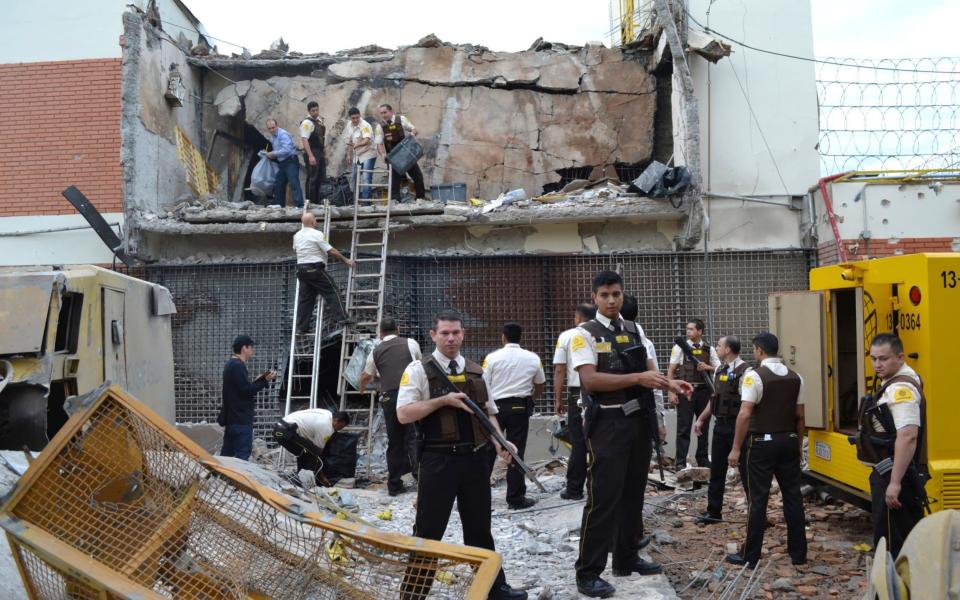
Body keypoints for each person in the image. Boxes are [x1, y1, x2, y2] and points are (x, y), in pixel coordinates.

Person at [569, 271, 692, 598]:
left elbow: (650, 372)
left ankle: (626, 558)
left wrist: (671, 383)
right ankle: (588, 572)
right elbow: (591, 380)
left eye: (617, 294)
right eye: (605, 295)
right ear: (594, 297)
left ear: (623, 296)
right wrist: (639, 378)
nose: (612, 301)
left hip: (639, 422)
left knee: (633, 494)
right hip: (608, 424)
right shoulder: (583, 334)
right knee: (602, 499)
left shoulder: (634, 328)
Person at [396, 310, 526, 600]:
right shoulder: (418, 370)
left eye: (455, 332)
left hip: (475, 461)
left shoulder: (475, 369)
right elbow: (403, 414)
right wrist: (443, 400)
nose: (451, 338)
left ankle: (495, 589)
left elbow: (489, 413)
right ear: (433, 335)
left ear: (463, 334)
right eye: (444, 333)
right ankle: (413, 595)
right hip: (438, 460)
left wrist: (501, 442)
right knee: (429, 532)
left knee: (479, 528)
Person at [726, 332, 807, 568]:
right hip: (789, 439)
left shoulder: (754, 377)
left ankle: (750, 557)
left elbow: (745, 413)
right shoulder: (796, 377)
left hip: (761, 444)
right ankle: (798, 554)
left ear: (759, 350)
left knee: (758, 499)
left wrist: (735, 448)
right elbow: (800, 417)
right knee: (793, 496)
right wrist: (799, 445)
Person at [858, 333, 926, 557]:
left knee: (890, 545)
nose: (877, 364)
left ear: (900, 357)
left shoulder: (900, 390)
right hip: (892, 471)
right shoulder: (899, 379)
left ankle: (891, 591)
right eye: (874, 358)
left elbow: (908, 436)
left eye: (884, 359)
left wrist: (895, 482)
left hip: (895, 474)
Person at [482, 322, 546, 509]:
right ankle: (515, 498)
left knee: (487, 451)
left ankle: (478, 496)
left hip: (495, 408)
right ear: (521, 337)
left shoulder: (492, 358)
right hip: (519, 407)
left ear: (503, 337)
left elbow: (483, 383)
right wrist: (530, 397)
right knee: (516, 452)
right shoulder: (533, 358)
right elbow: (540, 383)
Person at [359, 317, 423, 495]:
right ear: (398, 329)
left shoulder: (376, 350)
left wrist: (362, 390)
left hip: (390, 397)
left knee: (395, 442)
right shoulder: (411, 343)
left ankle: (394, 485)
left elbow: (366, 375)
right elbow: (420, 366)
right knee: (414, 436)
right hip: (410, 392)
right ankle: (421, 479)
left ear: (380, 334)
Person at [693, 335, 751, 524]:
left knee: (747, 472)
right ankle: (714, 512)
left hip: (738, 428)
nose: (716, 348)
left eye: (719, 346)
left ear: (728, 350)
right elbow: (714, 400)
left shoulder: (746, 371)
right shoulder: (719, 369)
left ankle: (755, 513)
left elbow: (746, 405)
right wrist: (701, 419)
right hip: (720, 427)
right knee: (717, 471)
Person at [553, 303, 597, 500]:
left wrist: (557, 399)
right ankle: (597, 487)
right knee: (599, 439)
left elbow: (560, 370)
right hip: (600, 388)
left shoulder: (568, 336)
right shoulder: (601, 332)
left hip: (576, 391)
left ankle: (574, 489)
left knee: (578, 441)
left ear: (578, 317)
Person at [667, 319, 721, 469]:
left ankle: (702, 458)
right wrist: (671, 392)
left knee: (703, 426)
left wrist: (707, 367)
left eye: (691, 329)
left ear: (700, 331)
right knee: (683, 427)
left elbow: (718, 368)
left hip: (704, 392)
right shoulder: (680, 347)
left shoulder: (709, 349)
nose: (688, 331)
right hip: (686, 392)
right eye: (687, 329)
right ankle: (680, 462)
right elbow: (671, 370)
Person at [293, 212, 355, 332]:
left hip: (301, 270)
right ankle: (342, 318)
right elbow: (331, 251)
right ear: (312, 222)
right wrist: (345, 260)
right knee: (332, 291)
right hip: (314, 268)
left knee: (305, 299)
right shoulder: (317, 234)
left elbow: (296, 251)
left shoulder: (297, 235)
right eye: (315, 219)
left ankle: (302, 328)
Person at [220, 335, 277, 460]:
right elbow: (246, 391)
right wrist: (264, 381)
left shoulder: (230, 364)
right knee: (242, 457)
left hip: (232, 419)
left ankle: (219, 478)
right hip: (241, 420)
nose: (253, 350)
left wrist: (257, 382)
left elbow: (241, 389)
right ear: (244, 348)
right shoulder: (238, 365)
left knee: (226, 457)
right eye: (251, 347)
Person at [272, 408, 349, 485]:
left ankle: (300, 479)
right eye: (341, 427)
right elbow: (317, 452)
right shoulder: (326, 427)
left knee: (304, 452)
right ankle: (303, 482)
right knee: (311, 453)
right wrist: (321, 476)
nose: (339, 430)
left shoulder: (327, 414)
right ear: (337, 421)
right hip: (285, 433)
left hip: (282, 426)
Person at [376, 104, 426, 201]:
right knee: (394, 181)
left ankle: (421, 198)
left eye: (385, 112)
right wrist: (382, 154)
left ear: (391, 111)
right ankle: (395, 202)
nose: (383, 115)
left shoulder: (401, 119)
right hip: (393, 158)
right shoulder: (380, 126)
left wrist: (411, 135)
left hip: (406, 155)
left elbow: (414, 130)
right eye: (381, 113)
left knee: (418, 176)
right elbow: (379, 143)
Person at [266, 118, 304, 208]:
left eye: (273, 127)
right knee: (279, 183)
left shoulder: (282, 134)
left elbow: (286, 150)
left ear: (277, 126)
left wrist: (273, 153)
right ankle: (279, 206)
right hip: (282, 163)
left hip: (290, 161)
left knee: (294, 183)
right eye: (269, 128)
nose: (272, 130)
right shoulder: (273, 137)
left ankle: (300, 205)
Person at [346, 107, 377, 200]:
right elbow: (350, 141)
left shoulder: (365, 125)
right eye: (353, 118)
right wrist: (349, 154)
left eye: (357, 117)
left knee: (366, 177)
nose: (355, 120)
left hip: (368, 153)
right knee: (354, 176)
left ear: (360, 116)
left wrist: (357, 145)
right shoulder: (349, 125)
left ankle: (366, 200)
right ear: (350, 118)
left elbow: (367, 140)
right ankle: (356, 199)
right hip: (357, 155)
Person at [299, 101, 326, 203]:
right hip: (312, 151)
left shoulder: (319, 121)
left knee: (320, 177)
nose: (315, 112)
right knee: (312, 177)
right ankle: (309, 202)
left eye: (317, 110)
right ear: (309, 111)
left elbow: (322, 139)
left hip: (319, 152)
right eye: (313, 111)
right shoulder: (306, 123)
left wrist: (325, 154)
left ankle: (317, 201)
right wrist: (310, 156)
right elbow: (304, 139)